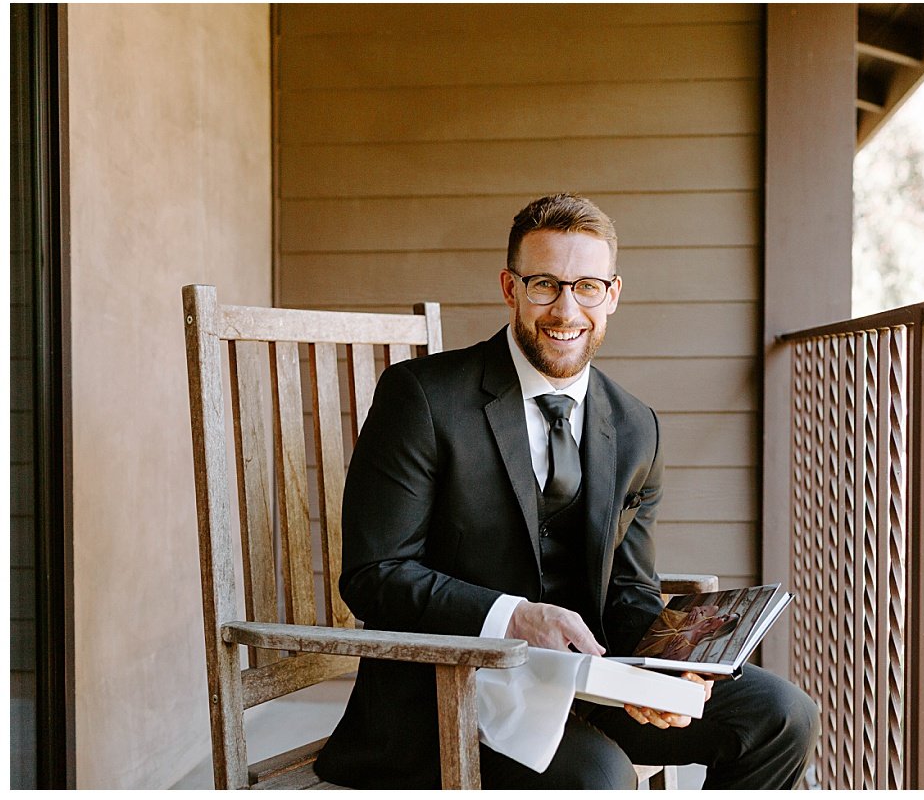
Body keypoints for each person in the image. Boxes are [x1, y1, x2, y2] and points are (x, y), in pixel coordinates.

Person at [315, 193, 818, 788]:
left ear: (613, 294)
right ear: (510, 288)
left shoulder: (636, 426)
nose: (565, 309)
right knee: (601, 780)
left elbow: (629, 588)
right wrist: (516, 617)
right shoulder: (422, 398)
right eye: (544, 284)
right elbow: (374, 575)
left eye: (587, 287)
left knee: (782, 716)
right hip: (450, 692)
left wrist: (667, 670)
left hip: (590, 682)